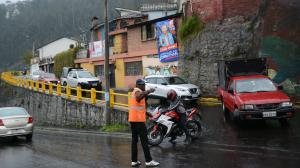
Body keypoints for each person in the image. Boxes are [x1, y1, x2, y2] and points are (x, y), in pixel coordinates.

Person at [129, 79, 160, 167]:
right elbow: (138, 98)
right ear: (138, 85)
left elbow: (138, 105)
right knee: (144, 141)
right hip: (138, 121)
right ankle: (148, 161)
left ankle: (134, 161)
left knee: (134, 140)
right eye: (143, 85)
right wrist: (149, 91)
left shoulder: (136, 91)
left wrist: (147, 113)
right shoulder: (137, 91)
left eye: (144, 85)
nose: (144, 87)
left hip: (133, 119)